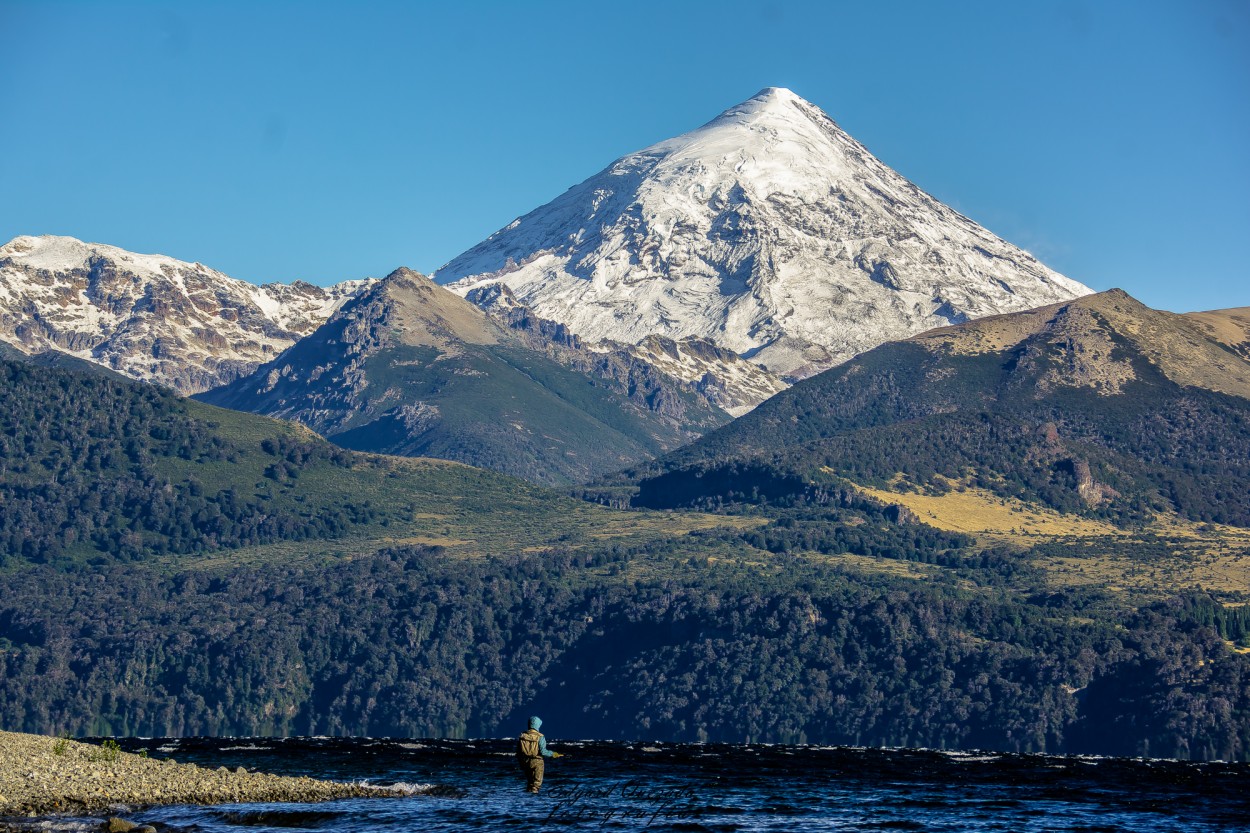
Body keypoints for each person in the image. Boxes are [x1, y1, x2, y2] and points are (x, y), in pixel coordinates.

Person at [516, 715, 561, 793]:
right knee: (536, 785)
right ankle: (534, 802)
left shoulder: (522, 736)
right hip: (537, 761)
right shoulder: (540, 737)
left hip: (525, 762)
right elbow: (543, 752)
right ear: (537, 725)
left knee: (529, 783)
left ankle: (527, 801)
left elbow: (518, 752)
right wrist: (554, 754)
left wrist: (521, 763)